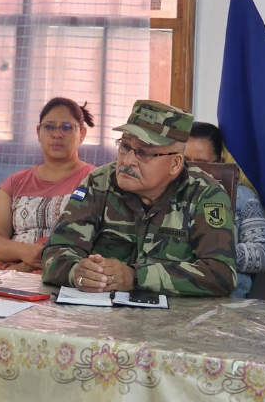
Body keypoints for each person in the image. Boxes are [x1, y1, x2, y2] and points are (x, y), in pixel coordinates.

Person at [42, 100, 237, 296]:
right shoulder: (99, 182)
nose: (127, 161)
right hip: (104, 318)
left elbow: (220, 274)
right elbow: (55, 253)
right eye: (124, 146)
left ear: (175, 164)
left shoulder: (205, 194)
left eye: (144, 153)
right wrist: (79, 272)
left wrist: (135, 277)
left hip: (174, 320)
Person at [0, 98, 96, 272]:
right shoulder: (15, 183)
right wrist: (27, 253)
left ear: (82, 133)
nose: (57, 134)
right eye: (49, 126)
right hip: (13, 275)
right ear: (38, 132)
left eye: (67, 127)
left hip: (69, 276)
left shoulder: (96, 180)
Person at [185, 123, 265, 298]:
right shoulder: (162, 193)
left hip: (225, 307)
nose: (192, 170)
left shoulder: (242, 198)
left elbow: (262, 255)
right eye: (186, 161)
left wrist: (212, 251)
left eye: (202, 163)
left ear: (220, 162)